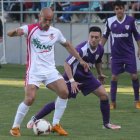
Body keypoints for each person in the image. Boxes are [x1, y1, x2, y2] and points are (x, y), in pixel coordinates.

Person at [7, 7, 89, 137]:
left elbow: (67, 45)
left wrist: (80, 60)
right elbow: (9, 34)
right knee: (30, 99)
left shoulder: (55, 32)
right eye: (45, 20)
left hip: (50, 70)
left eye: (50, 20)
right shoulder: (30, 29)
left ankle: (56, 124)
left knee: (64, 92)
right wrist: (15, 31)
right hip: (34, 70)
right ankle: (15, 127)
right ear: (40, 17)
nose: (47, 23)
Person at [27, 26, 121, 131]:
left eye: (96, 37)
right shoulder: (81, 49)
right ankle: (35, 118)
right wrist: (72, 81)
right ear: (88, 37)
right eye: (91, 37)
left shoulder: (100, 49)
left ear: (100, 39)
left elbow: (98, 61)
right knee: (60, 101)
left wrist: (99, 74)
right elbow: (67, 64)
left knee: (104, 95)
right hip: (71, 77)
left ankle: (106, 124)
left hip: (87, 77)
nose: (93, 39)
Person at [101, 1, 140, 109]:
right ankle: (113, 102)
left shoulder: (131, 20)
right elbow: (104, 36)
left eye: (121, 8)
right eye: (117, 9)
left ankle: (137, 100)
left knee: (134, 76)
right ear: (114, 10)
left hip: (129, 54)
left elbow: (137, 35)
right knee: (114, 77)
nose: (119, 10)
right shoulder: (109, 21)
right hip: (116, 55)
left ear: (124, 9)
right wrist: (99, 49)